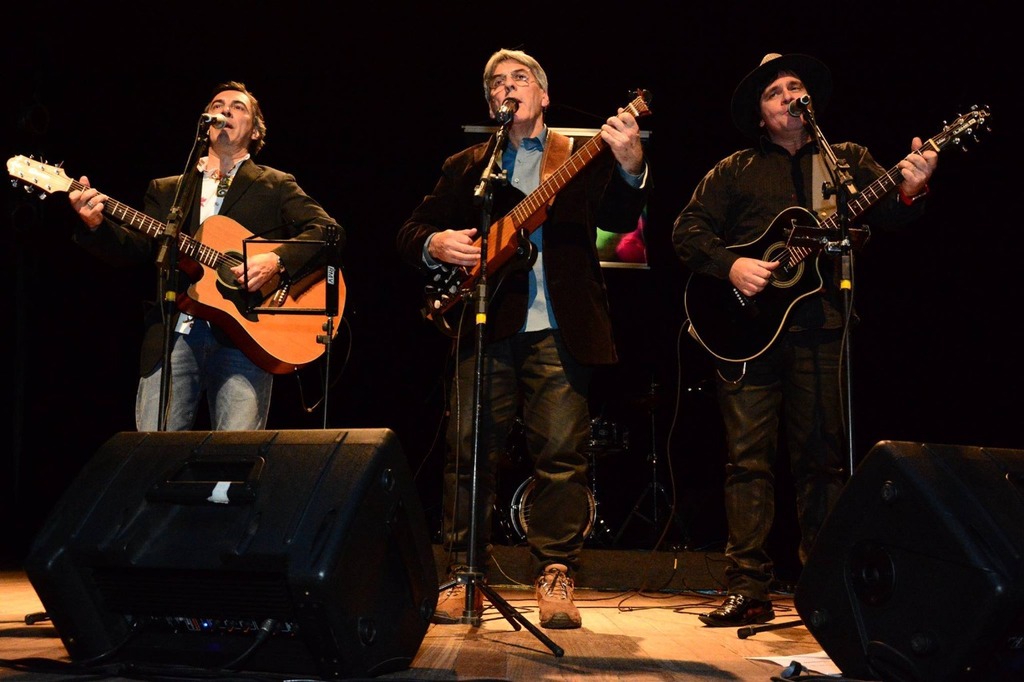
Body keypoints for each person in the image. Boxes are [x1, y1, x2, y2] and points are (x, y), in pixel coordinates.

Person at [672, 53, 938, 627]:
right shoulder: (734, 170)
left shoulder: (844, 162)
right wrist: (732, 265)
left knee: (823, 462)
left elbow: (888, 214)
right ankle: (748, 586)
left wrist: (911, 189)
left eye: (796, 87)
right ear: (761, 114)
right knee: (748, 464)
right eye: (775, 92)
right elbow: (686, 232)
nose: (790, 96)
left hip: (822, 329)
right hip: (744, 334)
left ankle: (825, 584)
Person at [396, 48, 648, 629]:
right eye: (497, 83)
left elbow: (620, 217)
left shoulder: (578, 157)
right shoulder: (466, 166)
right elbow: (409, 231)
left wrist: (631, 164)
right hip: (484, 326)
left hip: (561, 328)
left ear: (543, 94)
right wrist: (436, 243)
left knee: (560, 458)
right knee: (467, 455)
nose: (508, 88)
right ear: (491, 103)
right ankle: (464, 574)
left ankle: (556, 571)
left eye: (520, 78)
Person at [68, 80, 342, 432]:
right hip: (174, 334)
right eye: (217, 104)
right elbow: (135, 249)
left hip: (247, 337)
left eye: (238, 107)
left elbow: (329, 233)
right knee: (153, 457)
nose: (225, 110)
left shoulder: (275, 184)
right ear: (205, 121)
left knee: (233, 460)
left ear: (256, 130)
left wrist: (275, 261)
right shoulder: (168, 189)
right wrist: (96, 226)